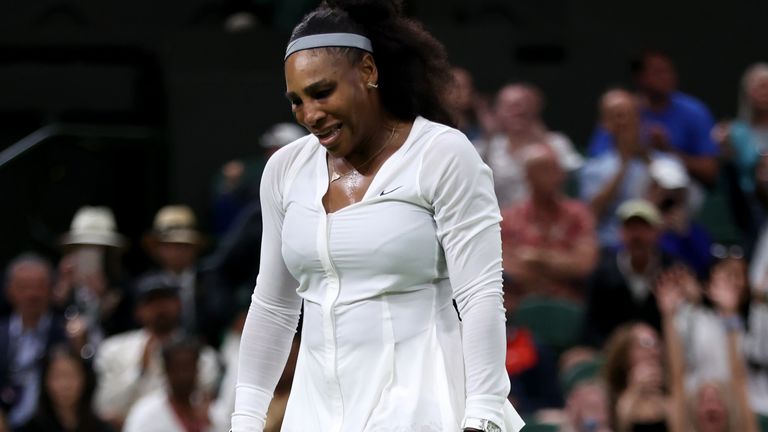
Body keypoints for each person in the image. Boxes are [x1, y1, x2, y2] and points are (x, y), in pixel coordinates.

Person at [232, 1, 524, 431]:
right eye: (296, 101)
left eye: (322, 92)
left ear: (368, 71)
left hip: (423, 404)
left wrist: (483, 413)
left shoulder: (442, 153)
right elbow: (274, 306)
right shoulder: (284, 169)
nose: (309, 115)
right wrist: (245, 419)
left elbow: (480, 294)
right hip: (315, 411)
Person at [93, 274, 220, 426]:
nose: (160, 308)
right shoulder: (113, 350)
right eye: (151, 302)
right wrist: (141, 370)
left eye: (166, 300)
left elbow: (203, 407)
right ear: (138, 310)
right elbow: (106, 408)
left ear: (179, 305)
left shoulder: (203, 355)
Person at [587, 50, 719, 187]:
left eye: (669, 71)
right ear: (639, 78)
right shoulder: (621, 111)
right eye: (657, 72)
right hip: (623, 187)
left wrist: (667, 150)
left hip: (678, 189)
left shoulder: (694, 111)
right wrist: (630, 146)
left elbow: (711, 172)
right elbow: (596, 162)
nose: (667, 77)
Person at [580, 88, 680, 247]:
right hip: (609, 247)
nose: (626, 121)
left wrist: (647, 159)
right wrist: (624, 164)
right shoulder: (593, 169)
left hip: (656, 246)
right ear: (605, 124)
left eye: (633, 114)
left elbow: (675, 206)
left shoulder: (666, 163)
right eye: (618, 116)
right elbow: (590, 216)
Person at [501, 143, 597, 301]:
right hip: (521, 304)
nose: (557, 176)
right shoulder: (509, 218)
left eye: (557, 169)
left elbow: (585, 264)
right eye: (546, 170)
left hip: (569, 302)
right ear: (528, 175)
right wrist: (560, 265)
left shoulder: (578, 214)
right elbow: (508, 266)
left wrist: (537, 258)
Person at [582, 199, 678, 346]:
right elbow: (591, 328)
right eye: (631, 228)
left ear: (657, 232)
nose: (637, 236)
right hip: (613, 355)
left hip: (662, 353)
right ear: (621, 233)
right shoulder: (602, 274)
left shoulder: (672, 272)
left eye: (643, 228)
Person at [482, 83, 582, 208]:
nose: (516, 111)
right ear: (498, 111)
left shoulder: (557, 142)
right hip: (502, 221)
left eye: (521, 105)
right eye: (509, 106)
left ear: (534, 108)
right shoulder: (488, 148)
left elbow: (573, 185)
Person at [0, 254, 69, 429]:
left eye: (39, 286)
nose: (32, 294)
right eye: (23, 287)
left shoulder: (68, 332)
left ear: (51, 290)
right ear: (9, 291)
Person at [123, 336, 212, 432]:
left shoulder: (211, 413)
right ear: (166, 370)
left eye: (188, 367)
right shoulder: (145, 414)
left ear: (197, 368)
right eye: (177, 368)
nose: (183, 375)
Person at [18, 345, 113, 432]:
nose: (65, 385)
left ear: (85, 379)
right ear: (45, 382)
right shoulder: (30, 428)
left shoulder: (101, 428)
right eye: (57, 377)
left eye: (71, 376)